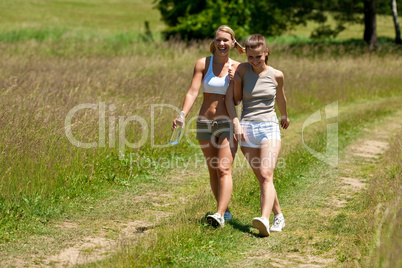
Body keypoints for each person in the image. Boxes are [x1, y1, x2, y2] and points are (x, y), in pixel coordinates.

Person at [171, 25, 245, 228]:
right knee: (213, 169)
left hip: (227, 123)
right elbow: (193, 92)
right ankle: (225, 212)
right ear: (214, 42)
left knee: (224, 168)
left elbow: (238, 100)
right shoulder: (203, 63)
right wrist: (182, 115)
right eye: (218, 40)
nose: (222, 44)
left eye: (226, 40)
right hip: (204, 123)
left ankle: (219, 215)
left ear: (232, 43)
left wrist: (235, 81)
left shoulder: (238, 67)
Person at [226, 34, 290, 237]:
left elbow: (280, 97)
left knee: (266, 174)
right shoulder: (243, 70)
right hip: (247, 129)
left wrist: (284, 114)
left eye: (258, 57)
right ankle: (279, 216)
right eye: (251, 57)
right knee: (263, 178)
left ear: (266, 53)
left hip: (269, 128)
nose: (254, 61)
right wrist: (235, 81)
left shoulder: (277, 75)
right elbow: (236, 100)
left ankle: (263, 219)